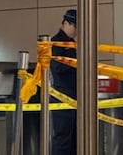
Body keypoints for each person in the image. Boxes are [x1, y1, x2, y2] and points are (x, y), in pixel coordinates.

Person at [51, 8, 77, 155]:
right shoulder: (56, 43)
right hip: (62, 95)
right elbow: (57, 67)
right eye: (75, 26)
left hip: (73, 95)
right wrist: (75, 66)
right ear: (66, 23)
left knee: (74, 138)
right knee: (63, 139)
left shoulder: (71, 43)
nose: (76, 31)